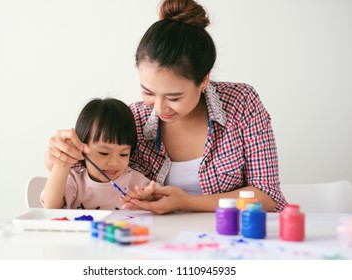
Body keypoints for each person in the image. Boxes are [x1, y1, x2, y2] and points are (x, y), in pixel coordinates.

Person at [45, 0, 287, 214]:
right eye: (148, 92)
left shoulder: (241, 103)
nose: (160, 108)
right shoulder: (134, 118)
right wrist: (57, 155)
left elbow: (267, 196)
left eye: (174, 97)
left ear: (203, 80)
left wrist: (187, 202)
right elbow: (84, 167)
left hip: (232, 237)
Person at [41, 98, 156, 210]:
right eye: (104, 153)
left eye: (123, 154)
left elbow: (159, 199)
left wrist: (149, 200)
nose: (114, 163)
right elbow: (51, 205)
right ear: (81, 147)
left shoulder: (135, 182)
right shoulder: (75, 181)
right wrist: (64, 161)